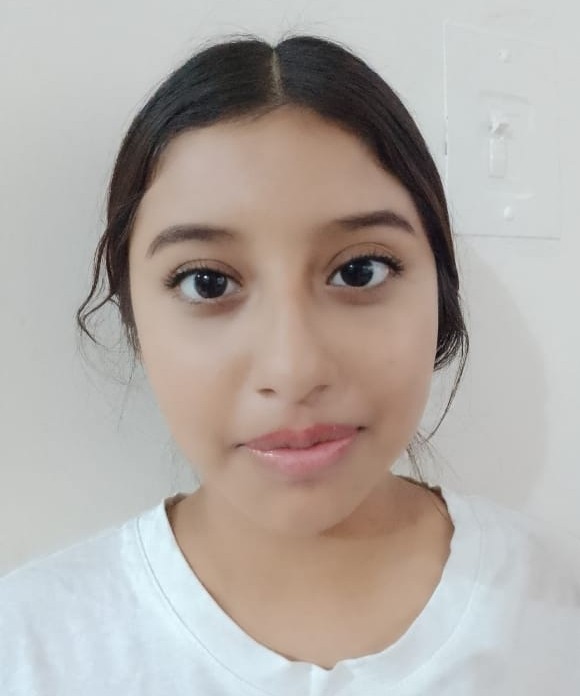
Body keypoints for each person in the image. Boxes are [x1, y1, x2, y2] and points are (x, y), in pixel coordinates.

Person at [1, 32, 579, 695]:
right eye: (208, 283)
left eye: (360, 271)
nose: (294, 369)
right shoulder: (31, 648)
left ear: (442, 290)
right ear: (133, 317)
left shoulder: (555, 607)